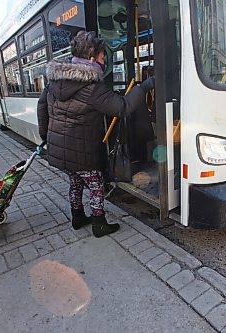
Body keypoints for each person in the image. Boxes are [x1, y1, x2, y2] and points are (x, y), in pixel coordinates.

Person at [37, 31, 155, 238]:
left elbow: (42, 109)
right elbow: (122, 107)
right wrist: (143, 87)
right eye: (102, 57)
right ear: (91, 58)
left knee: (75, 182)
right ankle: (99, 223)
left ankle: (77, 217)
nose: (104, 61)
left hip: (59, 149)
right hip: (82, 151)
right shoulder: (92, 87)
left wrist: (46, 136)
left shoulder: (54, 82)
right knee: (96, 184)